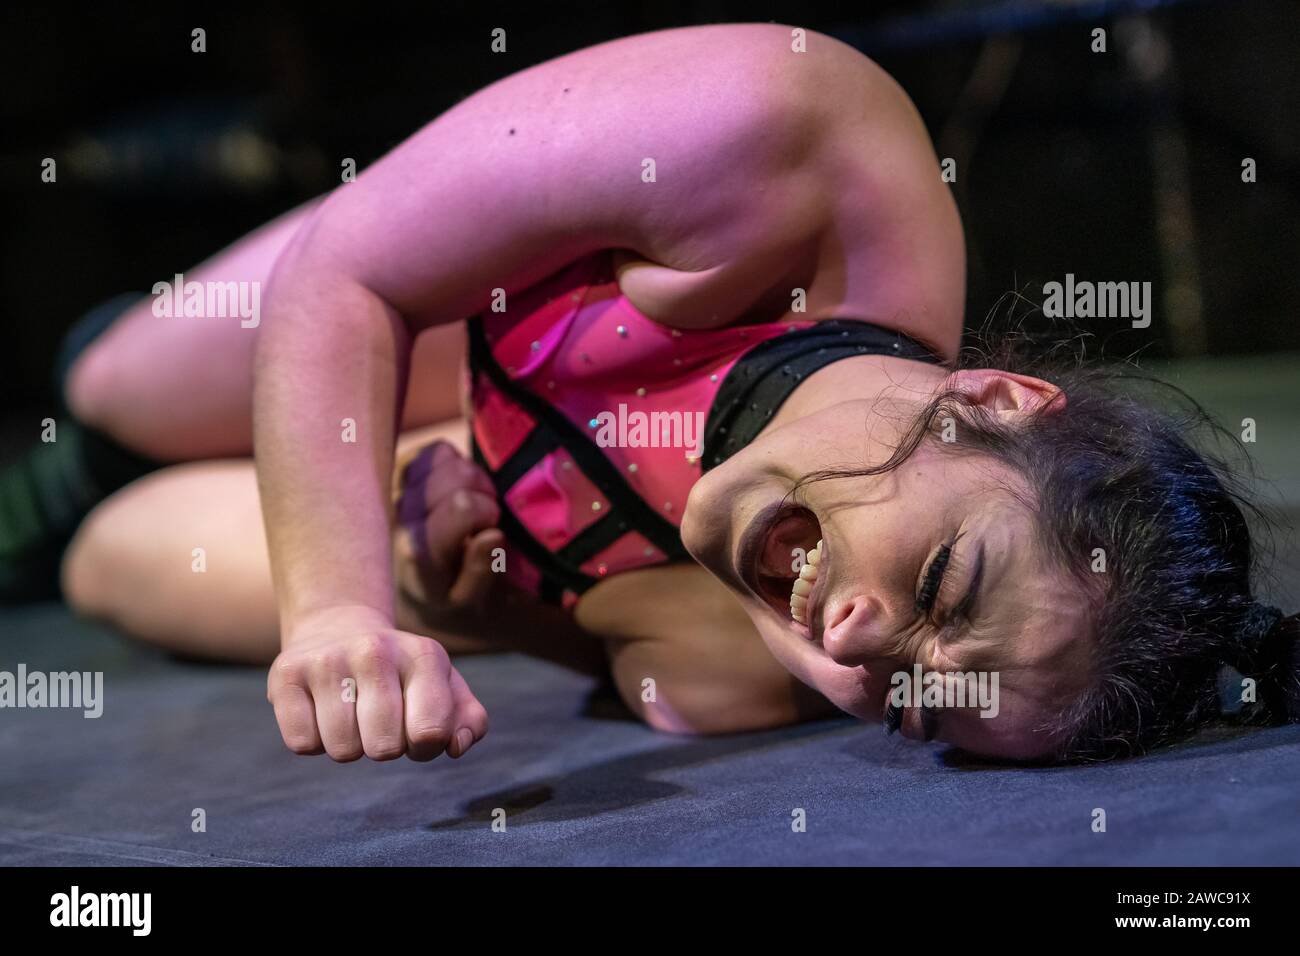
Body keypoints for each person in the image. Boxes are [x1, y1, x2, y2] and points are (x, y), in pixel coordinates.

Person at [5, 23, 1294, 764]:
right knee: (115, 391)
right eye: (945, 585)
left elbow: (599, 640)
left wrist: (461, 603)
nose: (851, 647)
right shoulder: (784, 137)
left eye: (912, 698)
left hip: (499, 460)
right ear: (1003, 398)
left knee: (107, 563)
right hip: (433, 309)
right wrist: (332, 607)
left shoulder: (740, 675)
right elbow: (348, 274)